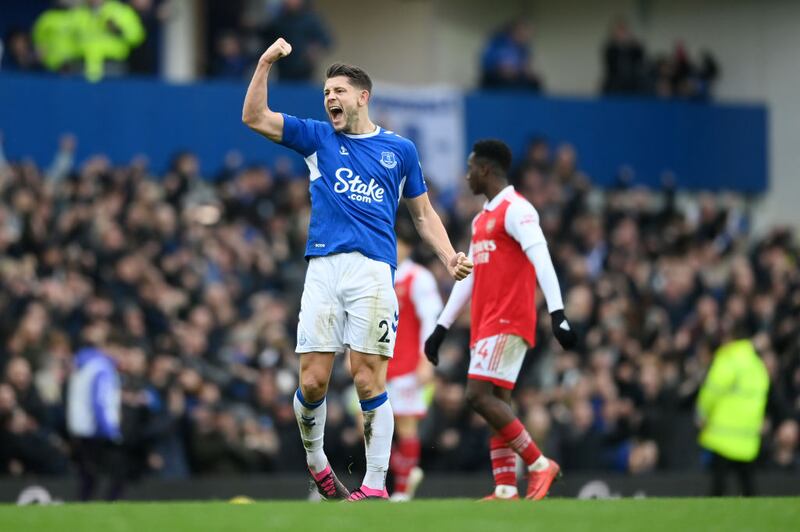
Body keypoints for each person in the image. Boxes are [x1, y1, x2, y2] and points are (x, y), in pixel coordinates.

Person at [242, 38, 473, 501]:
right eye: (326, 92)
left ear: (362, 97)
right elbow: (255, 117)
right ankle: (316, 461)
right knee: (312, 380)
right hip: (324, 269)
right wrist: (266, 62)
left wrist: (448, 255)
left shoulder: (400, 150)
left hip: (373, 271)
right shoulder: (317, 137)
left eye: (339, 91)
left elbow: (423, 215)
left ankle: (374, 486)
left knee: (369, 377)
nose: (330, 98)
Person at [424, 139, 577, 500]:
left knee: (477, 396)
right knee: (497, 403)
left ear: (486, 170)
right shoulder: (481, 219)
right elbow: (471, 277)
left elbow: (541, 258)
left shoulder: (517, 209)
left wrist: (558, 314)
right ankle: (506, 488)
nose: (466, 175)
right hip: (486, 322)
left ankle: (539, 464)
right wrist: (441, 328)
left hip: (509, 319)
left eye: (470, 168)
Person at [386, 221, 443, 501]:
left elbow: (431, 319)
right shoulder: (379, 276)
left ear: (408, 247)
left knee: (405, 425)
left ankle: (402, 488)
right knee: (368, 425)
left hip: (408, 364)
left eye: (397, 243)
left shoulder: (418, 278)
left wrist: (426, 358)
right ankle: (407, 471)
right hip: (381, 364)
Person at [697, 325, 769, 496]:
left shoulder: (728, 359)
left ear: (731, 339)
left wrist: (702, 413)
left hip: (723, 434)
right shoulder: (758, 365)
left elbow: (711, 391)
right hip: (748, 437)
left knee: (718, 487)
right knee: (748, 487)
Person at [66, 341, 126, 500]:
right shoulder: (102, 368)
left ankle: (85, 509)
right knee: (115, 473)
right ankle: (105, 508)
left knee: (88, 478)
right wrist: (111, 431)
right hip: (97, 431)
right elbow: (100, 401)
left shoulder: (84, 366)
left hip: (80, 430)